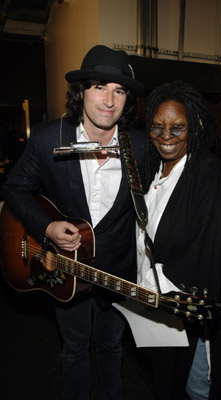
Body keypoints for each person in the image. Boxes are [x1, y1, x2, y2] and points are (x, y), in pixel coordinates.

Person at [2, 45, 145, 400]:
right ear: (81, 91)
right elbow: (15, 189)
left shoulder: (140, 147)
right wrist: (46, 228)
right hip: (65, 274)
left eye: (120, 90)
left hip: (116, 273)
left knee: (112, 348)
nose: (109, 100)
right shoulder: (50, 138)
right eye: (99, 86)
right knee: (76, 350)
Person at [136, 81, 221, 400]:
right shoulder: (155, 169)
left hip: (185, 316)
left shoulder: (208, 176)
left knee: (193, 387)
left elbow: (214, 260)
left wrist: (167, 294)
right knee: (164, 382)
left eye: (177, 127)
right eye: (158, 127)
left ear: (193, 126)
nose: (166, 136)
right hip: (152, 310)